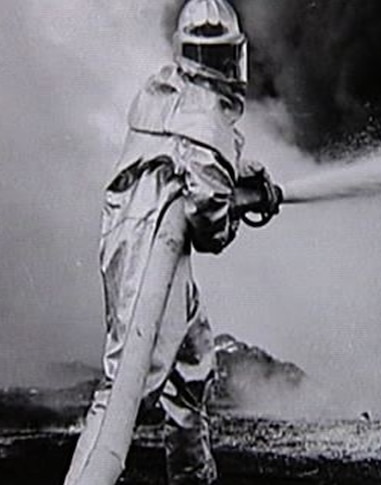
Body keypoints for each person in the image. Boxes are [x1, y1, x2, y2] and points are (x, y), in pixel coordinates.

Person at [63, 1, 280, 483]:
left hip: (145, 239)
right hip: (150, 252)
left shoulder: (169, 90)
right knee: (125, 389)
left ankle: (192, 477)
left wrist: (241, 181)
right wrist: (237, 201)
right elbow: (210, 225)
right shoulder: (205, 119)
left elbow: (185, 160)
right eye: (222, 56)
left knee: (191, 366)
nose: (226, 67)